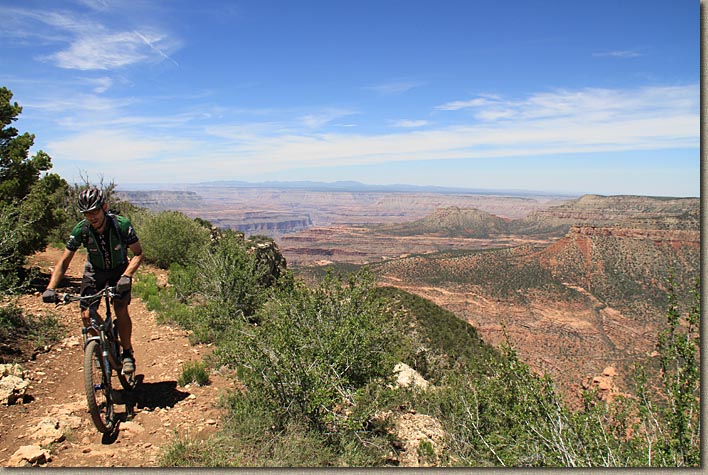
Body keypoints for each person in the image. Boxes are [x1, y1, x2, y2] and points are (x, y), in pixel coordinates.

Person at [43, 187, 143, 374]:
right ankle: (98, 349)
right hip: (94, 271)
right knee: (87, 315)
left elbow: (138, 253)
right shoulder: (82, 229)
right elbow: (64, 261)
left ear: (104, 207)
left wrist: (127, 275)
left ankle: (127, 352)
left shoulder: (120, 224)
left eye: (95, 211)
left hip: (119, 269)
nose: (91, 217)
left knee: (120, 308)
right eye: (87, 213)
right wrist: (51, 288)